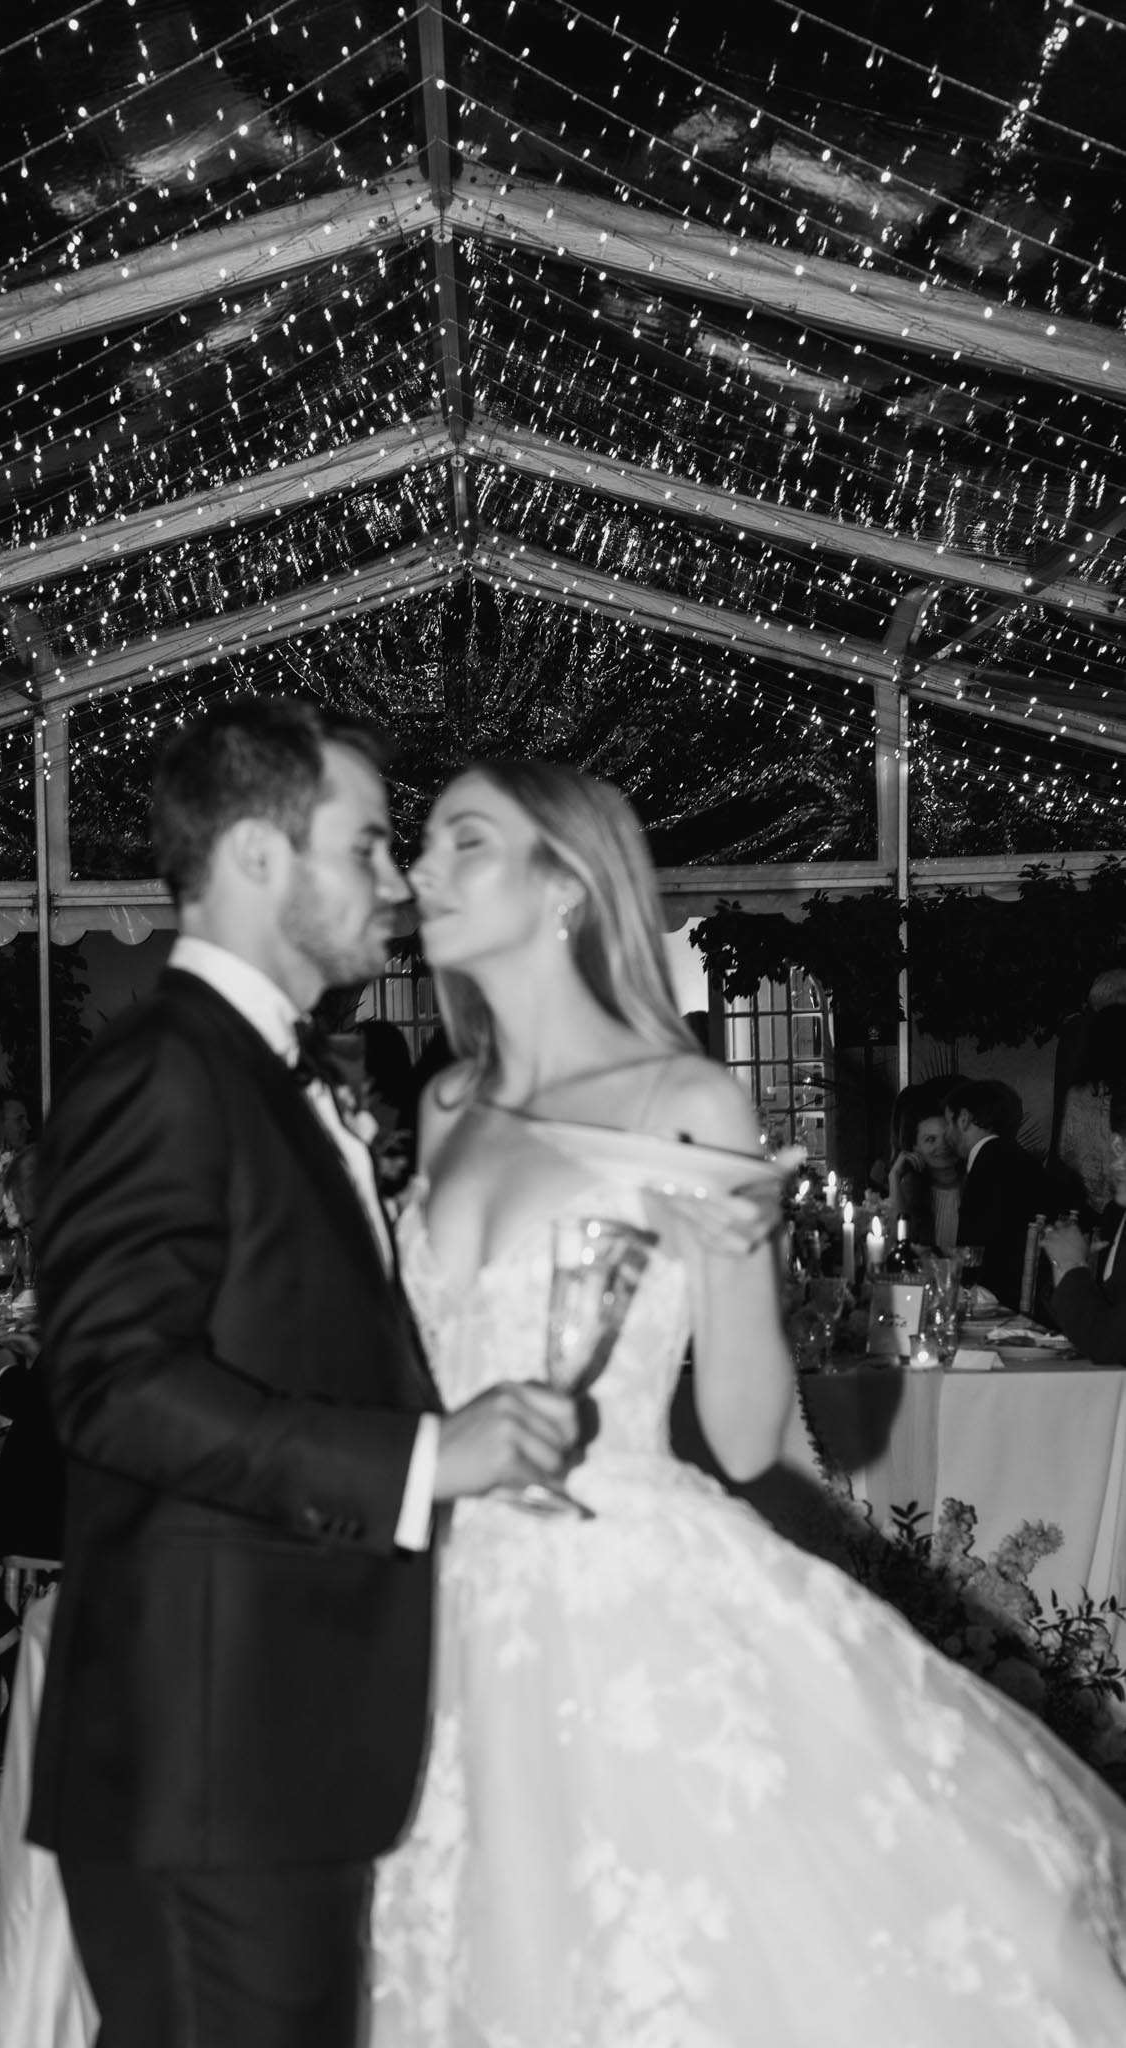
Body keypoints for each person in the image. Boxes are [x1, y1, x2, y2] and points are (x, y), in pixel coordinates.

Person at [369, 757, 1126, 2047]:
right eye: (423, 845)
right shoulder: (448, 1103)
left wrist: (739, 1256)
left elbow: (734, 1427)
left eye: (463, 842)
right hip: (443, 1572)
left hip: (619, 1577)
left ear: (565, 885)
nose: (421, 869)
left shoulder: (687, 1099)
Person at [26, 698, 580, 2048]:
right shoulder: (165, 1072)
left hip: (272, 1742)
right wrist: (418, 1463)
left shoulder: (265, 1072)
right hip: (207, 1759)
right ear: (262, 861)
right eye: (371, 846)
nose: (398, 882)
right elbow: (109, 1382)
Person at [945, 1076, 1055, 1309]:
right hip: (1039, 1300)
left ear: (963, 1119)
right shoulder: (1022, 1160)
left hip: (1001, 1305)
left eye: (948, 1123)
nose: (947, 1134)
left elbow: (973, 1251)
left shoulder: (987, 1165)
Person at [1043, 1080, 1126, 1364]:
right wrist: (1067, 1270)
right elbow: (1083, 1325)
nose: (1117, 1162)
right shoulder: (1116, 1214)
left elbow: (1110, 1345)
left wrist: (1071, 1266)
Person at [883, 1079, 964, 1250]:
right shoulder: (909, 1188)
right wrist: (894, 1177)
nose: (942, 1146)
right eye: (930, 1139)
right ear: (915, 1147)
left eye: (946, 1136)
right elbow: (899, 1242)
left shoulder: (976, 1182)